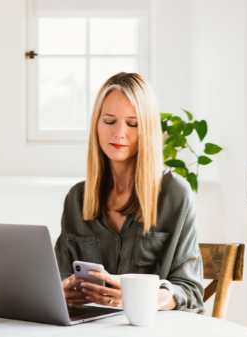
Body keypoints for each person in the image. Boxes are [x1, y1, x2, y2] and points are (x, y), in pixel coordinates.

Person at [54, 72, 205, 314]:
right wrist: (62, 290)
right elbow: (58, 278)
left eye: (133, 124)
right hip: (88, 335)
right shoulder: (76, 198)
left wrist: (137, 296)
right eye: (109, 120)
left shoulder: (176, 194)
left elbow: (190, 291)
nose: (119, 133)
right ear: (96, 124)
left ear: (147, 129)